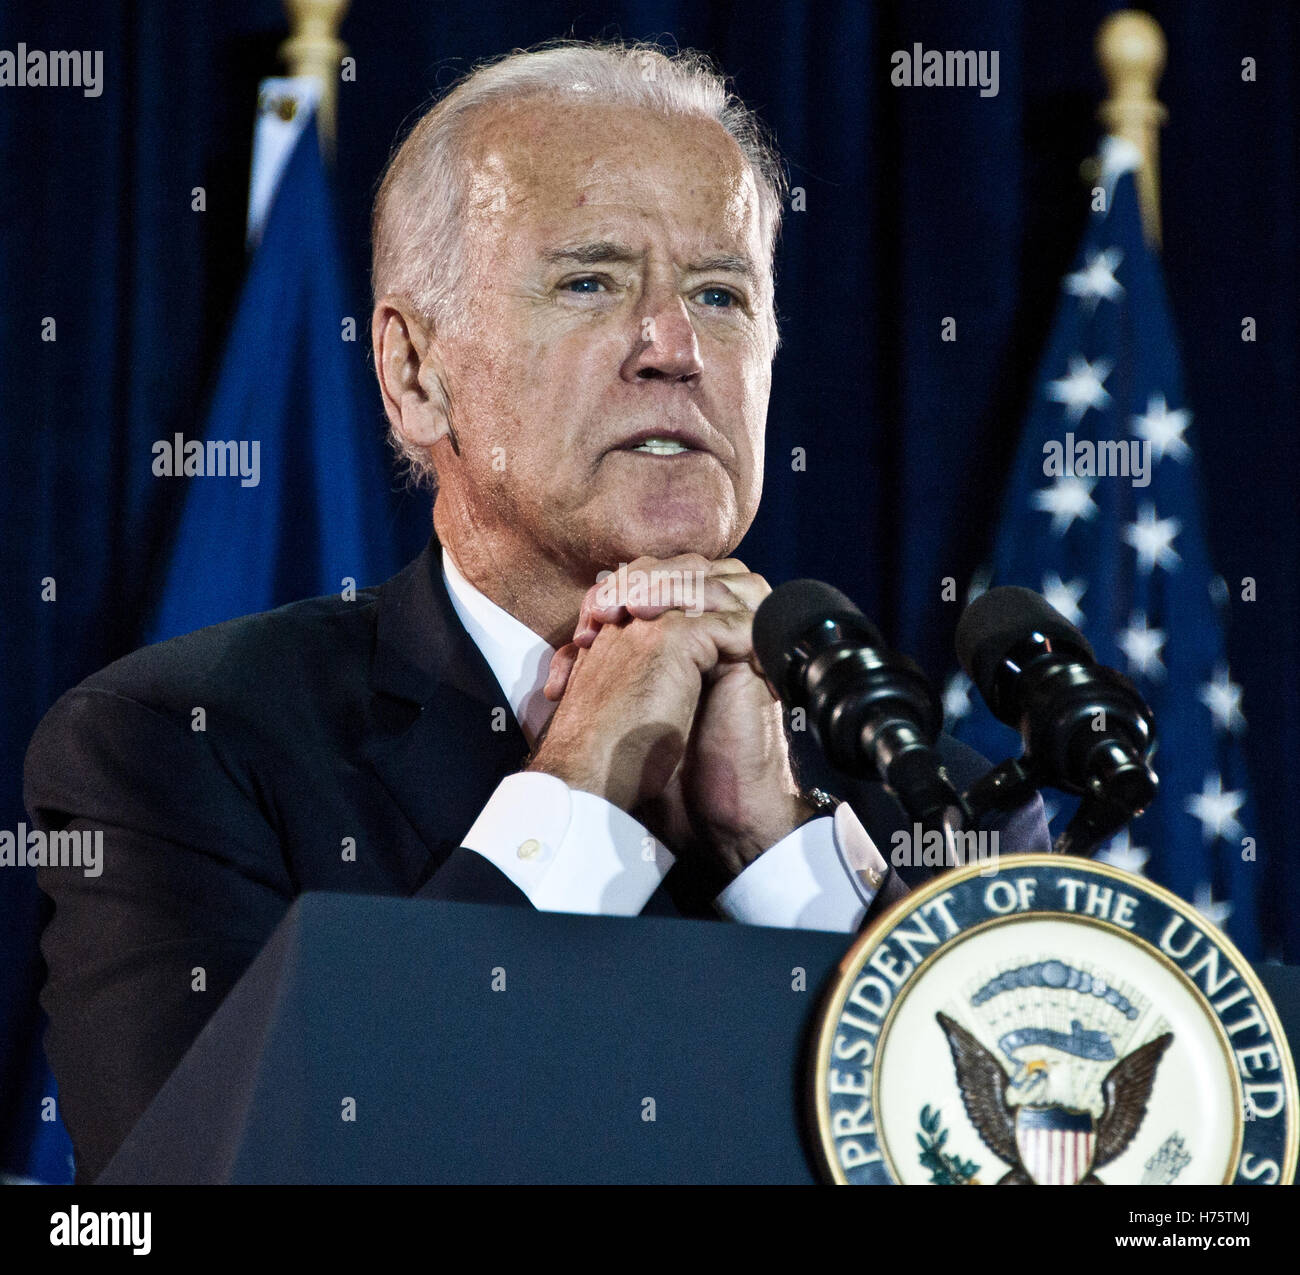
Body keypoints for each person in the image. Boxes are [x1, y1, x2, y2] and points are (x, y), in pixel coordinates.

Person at [25, 40, 1047, 1184]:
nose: (674, 348)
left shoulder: (938, 808)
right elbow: (196, 1188)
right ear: (415, 376)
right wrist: (567, 807)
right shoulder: (184, 748)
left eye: (721, 294)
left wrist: (784, 858)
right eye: (589, 281)